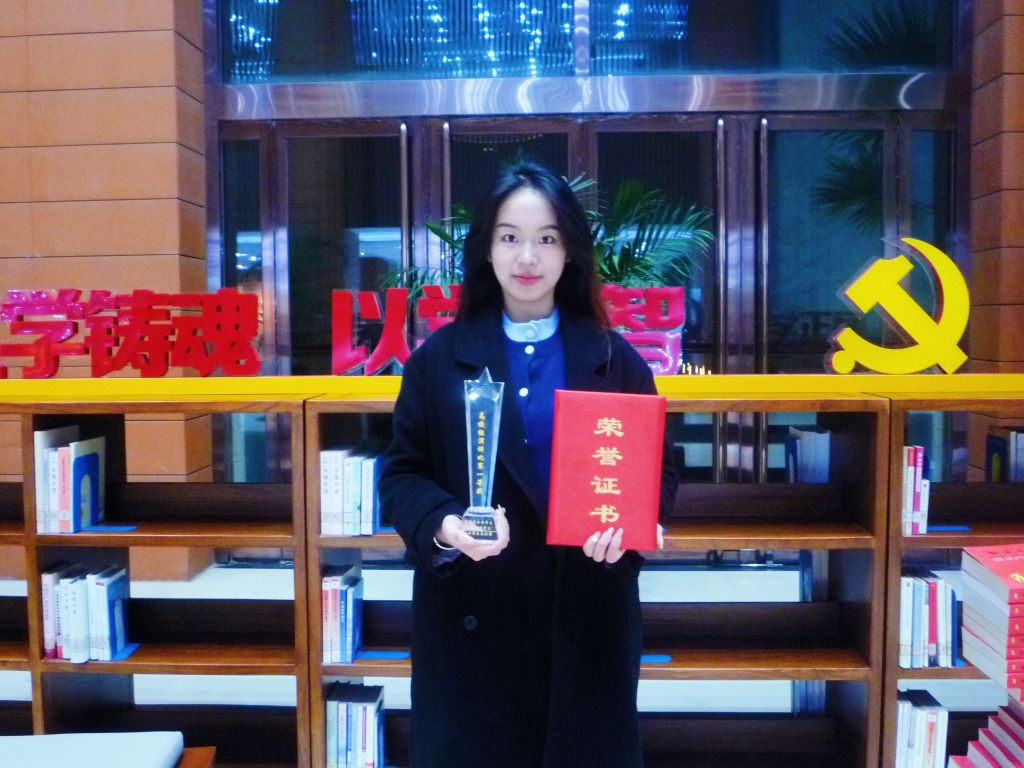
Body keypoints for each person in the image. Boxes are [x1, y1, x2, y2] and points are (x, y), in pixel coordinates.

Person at [379, 160, 678, 767]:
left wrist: (634, 526)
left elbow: (660, 470)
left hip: (585, 616)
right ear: (486, 248)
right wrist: (445, 525)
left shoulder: (614, 358)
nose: (527, 257)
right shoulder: (439, 359)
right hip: (474, 619)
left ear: (570, 251)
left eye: (547, 238)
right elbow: (402, 473)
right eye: (510, 237)